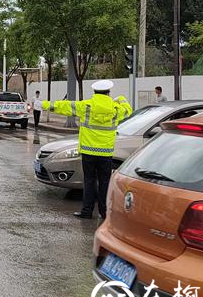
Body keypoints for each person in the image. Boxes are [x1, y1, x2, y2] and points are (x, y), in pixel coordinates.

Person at [35, 80, 132, 219]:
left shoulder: (86, 105)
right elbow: (128, 109)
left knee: (89, 181)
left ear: (94, 92)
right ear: (108, 92)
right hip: (106, 152)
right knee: (104, 182)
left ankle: (87, 211)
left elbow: (64, 106)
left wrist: (43, 104)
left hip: (88, 152)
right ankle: (104, 212)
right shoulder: (116, 108)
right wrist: (121, 98)